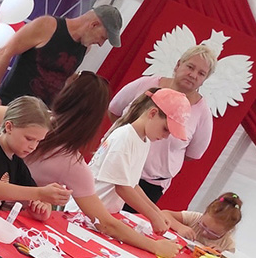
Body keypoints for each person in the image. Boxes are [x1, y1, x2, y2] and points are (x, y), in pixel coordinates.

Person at [0, 72, 180, 258]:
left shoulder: (41, 126)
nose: (32, 145)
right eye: (29, 139)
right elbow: (106, 223)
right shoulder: (70, 160)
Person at [66, 88, 191, 234]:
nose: (165, 136)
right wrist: (152, 216)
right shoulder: (125, 137)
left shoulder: (144, 141)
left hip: (100, 217)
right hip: (82, 214)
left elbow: (133, 184)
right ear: (152, 113)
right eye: (165, 129)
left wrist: (157, 212)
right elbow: (122, 188)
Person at [108, 45, 218, 205]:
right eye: (190, 67)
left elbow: (192, 154)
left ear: (205, 79)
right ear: (178, 64)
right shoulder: (146, 84)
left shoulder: (203, 113)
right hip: (115, 163)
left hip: (150, 184)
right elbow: (115, 111)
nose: (193, 75)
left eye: (201, 73)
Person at [0, 5, 123, 107]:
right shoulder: (47, 26)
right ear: (93, 24)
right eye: (103, 37)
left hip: (39, 115)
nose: (100, 43)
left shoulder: (85, 48)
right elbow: (5, 52)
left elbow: (64, 79)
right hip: (10, 104)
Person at [162, 192, 242, 252]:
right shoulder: (195, 218)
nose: (204, 232)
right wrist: (179, 227)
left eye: (212, 233)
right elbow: (164, 213)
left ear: (227, 230)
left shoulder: (228, 244)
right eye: (203, 225)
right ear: (204, 213)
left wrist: (221, 255)